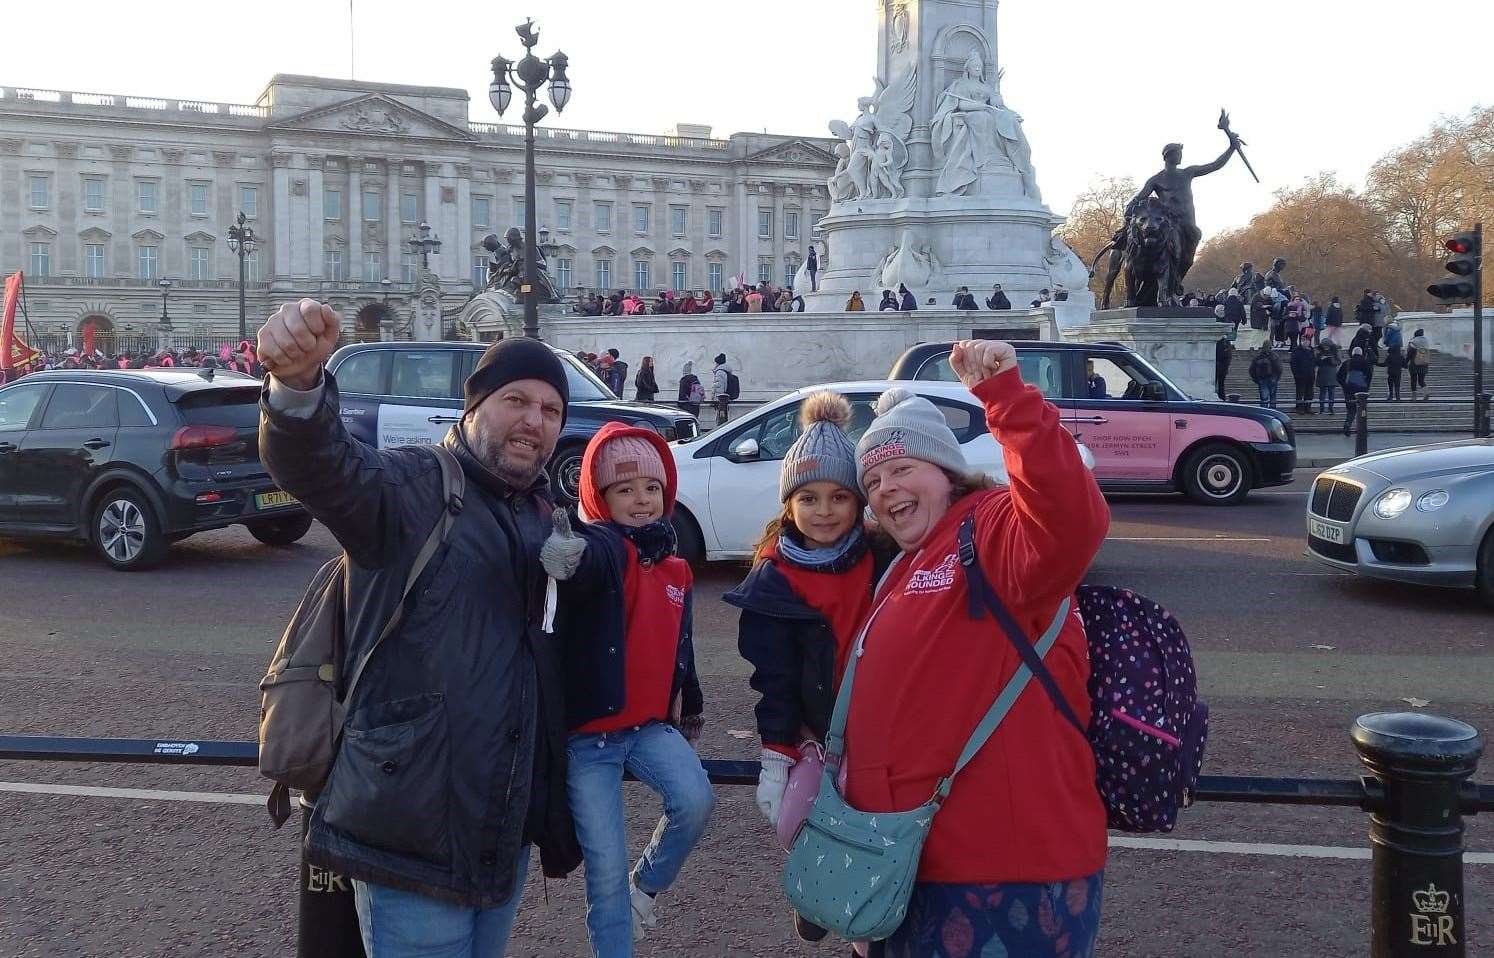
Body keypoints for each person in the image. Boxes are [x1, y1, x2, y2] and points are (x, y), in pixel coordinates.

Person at [256, 301, 582, 958]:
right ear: (473, 408)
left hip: (498, 834)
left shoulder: (544, 514)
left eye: (550, 411)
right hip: (412, 835)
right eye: (516, 400)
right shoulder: (413, 486)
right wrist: (296, 390)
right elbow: (324, 466)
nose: (534, 422)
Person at [848, 340, 1109, 957]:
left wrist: (1008, 401)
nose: (887, 489)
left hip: (1003, 868)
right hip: (909, 864)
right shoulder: (904, 565)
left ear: (947, 472)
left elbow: (1070, 515)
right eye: (874, 480)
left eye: (903, 469)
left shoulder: (992, 529)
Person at [726, 391, 895, 946]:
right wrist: (777, 750)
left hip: (881, 731)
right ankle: (818, 894)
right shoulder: (773, 577)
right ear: (789, 504)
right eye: (810, 497)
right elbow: (771, 676)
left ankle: (862, 929)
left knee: (875, 837)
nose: (825, 511)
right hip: (813, 734)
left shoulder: (883, 554)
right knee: (797, 823)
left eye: (839, 497)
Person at [539, 424, 713, 958]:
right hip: (589, 741)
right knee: (604, 873)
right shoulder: (605, 549)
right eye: (624, 489)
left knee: (696, 801)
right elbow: (588, 557)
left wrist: (689, 702)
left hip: (649, 727)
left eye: (651, 489)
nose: (641, 501)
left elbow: (681, 650)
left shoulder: (676, 568)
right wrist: (567, 552)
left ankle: (647, 886)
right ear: (600, 497)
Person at [1339, 346, 1372, 436]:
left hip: (1349, 389)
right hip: (1362, 390)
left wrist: (1344, 386)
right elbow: (1369, 377)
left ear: (1353, 353)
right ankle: (1362, 429)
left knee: (1351, 409)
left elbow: (1339, 376)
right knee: (1362, 410)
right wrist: (1366, 388)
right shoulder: (1366, 363)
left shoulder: (1347, 362)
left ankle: (1348, 424)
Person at [1249, 343, 1281, 409]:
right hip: (1273, 379)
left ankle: (1264, 411)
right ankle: (1273, 411)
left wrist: (1256, 379)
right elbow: (1279, 368)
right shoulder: (1274, 356)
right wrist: (1277, 378)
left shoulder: (1258, 356)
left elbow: (1251, 369)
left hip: (1262, 379)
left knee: (1264, 398)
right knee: (1273, 396)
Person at [1289, 341, 1316, 414]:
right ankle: (1300, 408)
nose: (1306, 342)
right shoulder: (1297, 351)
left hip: (1310, 376)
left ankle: (1308, 407)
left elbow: (1314, 362)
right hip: (1300, 376)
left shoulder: (1311, 350)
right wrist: (1296, 374)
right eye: (1305, 341)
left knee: (1309, 393)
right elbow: (1293, 364)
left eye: (1308, 341)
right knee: (1300, 393)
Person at [1315, 344, 1340, 415]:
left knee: (1325, 393)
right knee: (1328, 393)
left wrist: (1327, 358)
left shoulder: (1324, 353)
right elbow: (1337, 362)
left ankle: (1325, 409)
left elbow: (1336, 363)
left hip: (1326, 375)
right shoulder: (1333, 353)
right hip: (1328, 375)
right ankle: (1328, 409)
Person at [1408, 328, 1432, 400]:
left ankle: (1414, 396)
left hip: (1414, 364)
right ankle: (1426, 392)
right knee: (1421, 380)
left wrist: (1405, 362)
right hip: (1424, 363)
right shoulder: (1426, 342)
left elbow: (1409, 353)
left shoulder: (1413, 341)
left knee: (1413, 380)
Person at [712, 353, 732, 427]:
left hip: (721, 401)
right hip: (726, 398)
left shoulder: (720, 372)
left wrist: (716, 399)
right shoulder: (726, 371)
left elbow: (719, 387)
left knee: (721, 418)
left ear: (718, 363)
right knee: (723, 417)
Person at [1215, 335, 1234, 402]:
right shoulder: (1226, 344)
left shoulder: (1219, 343)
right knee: (1221, 384)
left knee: (1219, 384)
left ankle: (1221, 397)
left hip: (1218, 367)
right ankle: (1222, 397)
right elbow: (1228, 357)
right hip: (1222, 368)